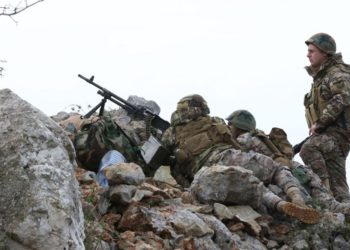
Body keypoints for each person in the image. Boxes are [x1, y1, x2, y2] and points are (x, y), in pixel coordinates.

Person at [161, 94, 320, 224]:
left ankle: (281, 205)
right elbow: (233, 141)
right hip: (228, 156)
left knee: (255, 187)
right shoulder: (214, 121)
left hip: (205, 173)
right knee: (276, 169)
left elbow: (162, 157)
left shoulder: (171, 133)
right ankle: (297, 198)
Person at [226, 109, 350, 214]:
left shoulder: (244, 139)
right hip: (299, 170)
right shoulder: (262, 137)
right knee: (330, 204)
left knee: (312, 206)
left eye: (230, 125)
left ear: (238, 126)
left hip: (283, 176)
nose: (228, 128)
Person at [300, 33, 350, 203]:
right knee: (339, 186)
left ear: (325, 53)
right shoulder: (321, 77)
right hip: (330, 135)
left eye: (312, 51)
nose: (308, 55)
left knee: (308, 148)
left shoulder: (337, 73)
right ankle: (344, 215)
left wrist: (320, 123)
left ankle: (323, 194)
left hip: (339, 134)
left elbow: (342, 98)